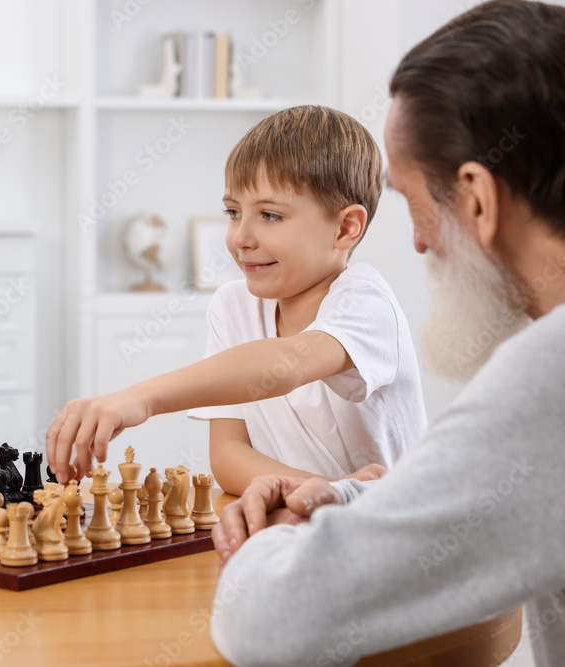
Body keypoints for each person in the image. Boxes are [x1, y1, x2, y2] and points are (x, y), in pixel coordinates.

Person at [209, 2, 565, 665]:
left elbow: (267, 624)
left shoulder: (550, 375)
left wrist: (275, 536)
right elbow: (480, 507)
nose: (421, 242)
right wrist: (344, 495)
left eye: (410, 203)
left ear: (478, 198)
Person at [46, 106, 425, 494]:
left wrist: (140, 399)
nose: (240, 237)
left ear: (346, 228)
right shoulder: (232, 305)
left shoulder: (366, 301)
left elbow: (286, 364)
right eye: (233, 211)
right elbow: (228, 457)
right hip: (302, 524)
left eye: (270, 216)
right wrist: (329, 492)